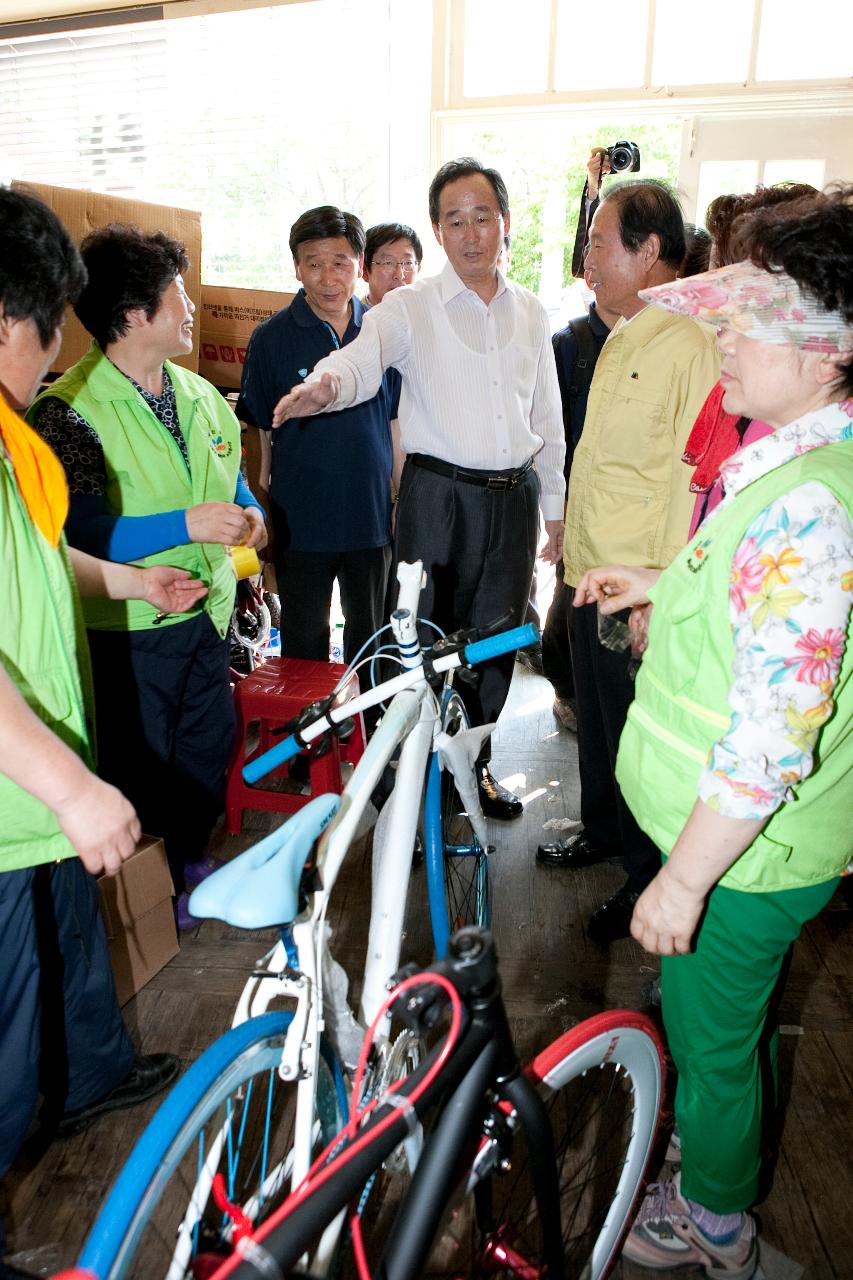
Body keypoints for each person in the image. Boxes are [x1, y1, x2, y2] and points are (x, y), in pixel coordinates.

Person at [575, 190, 853, 1277]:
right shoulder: (797, 463)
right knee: (727, 1033)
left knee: (711, 1040)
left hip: (738, 861)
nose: (720, 339)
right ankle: (715, 1158)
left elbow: (773, 729)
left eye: (747, 320)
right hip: (755, 851)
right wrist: (669, 578)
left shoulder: (806, 504)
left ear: (829, 350)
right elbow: (766, 602)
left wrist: (682, 880)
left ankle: (714, 1220)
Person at [0, 186, 206, 1275]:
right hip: (18, 778)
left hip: (35, 776)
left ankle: (88, 1074)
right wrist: (73, 786)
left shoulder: (9, 437)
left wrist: (129, 577)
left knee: (66, 947)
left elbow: (45, 554)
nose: (49, 351)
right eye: (45, 325)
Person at [268, 158, 565, 820]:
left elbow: (545, 416)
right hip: (436, 501)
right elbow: (361, 360)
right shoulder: (408, 307)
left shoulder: (531, 313)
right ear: (438, 229)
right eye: (454, 220)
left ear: (504, 224)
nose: (470, 233)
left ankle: (477, 767)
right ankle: (415, 784)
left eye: (481, 217)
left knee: (494, 644)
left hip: (512, 502)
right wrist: (325, 385)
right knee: (419, 643)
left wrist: (554, 509)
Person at [29, 224, 264, 927]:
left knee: (206, 743)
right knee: (140, 764)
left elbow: (232, 478)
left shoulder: (195, 393)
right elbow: (76, 534)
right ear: (134, 314)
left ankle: (190, 856)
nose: (190, 306)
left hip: (203, 611)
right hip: (127, 626)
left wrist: (250, 515)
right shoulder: (67, 412)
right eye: (177, 294)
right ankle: (142, 893)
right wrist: (185, 527)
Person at [537, 179, 720, 944]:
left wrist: (659, 594)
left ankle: (646, 880)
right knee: (600, 722)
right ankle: (605, 833)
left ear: (649, 252)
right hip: (588, 570)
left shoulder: (693, 343)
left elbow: (694, 481)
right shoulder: (621, 330)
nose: (588, 259)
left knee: (637, 740)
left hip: (634, 583)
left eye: (599, 243)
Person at [237, 207, 396, 676]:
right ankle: (312, 744)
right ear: (296, 267)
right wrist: (263, 509)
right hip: (300, 517)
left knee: (370, 635)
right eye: (313, 263)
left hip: (370, 516)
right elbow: (257, 429)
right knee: (305, 638)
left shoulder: (383, 331)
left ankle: (370, 733)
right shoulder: (271, 338)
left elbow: (395, 423)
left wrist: (398, 498)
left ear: (360, 264)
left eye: (340, 262)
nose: (328, 277)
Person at [542, 268, 620, 731]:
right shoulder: (569, 344)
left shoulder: (660, 341)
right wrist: (558, 501)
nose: (593, 261)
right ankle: (567, 687)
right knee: (570, 593)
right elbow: (549, 426)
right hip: (577, 495)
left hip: (627, 503)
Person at [361, 221, 423, 307]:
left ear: (418, 269)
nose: (400, 275)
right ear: (365, 272)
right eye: (388, 263)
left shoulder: (426, 315)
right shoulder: (353, 318)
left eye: (408, 263)